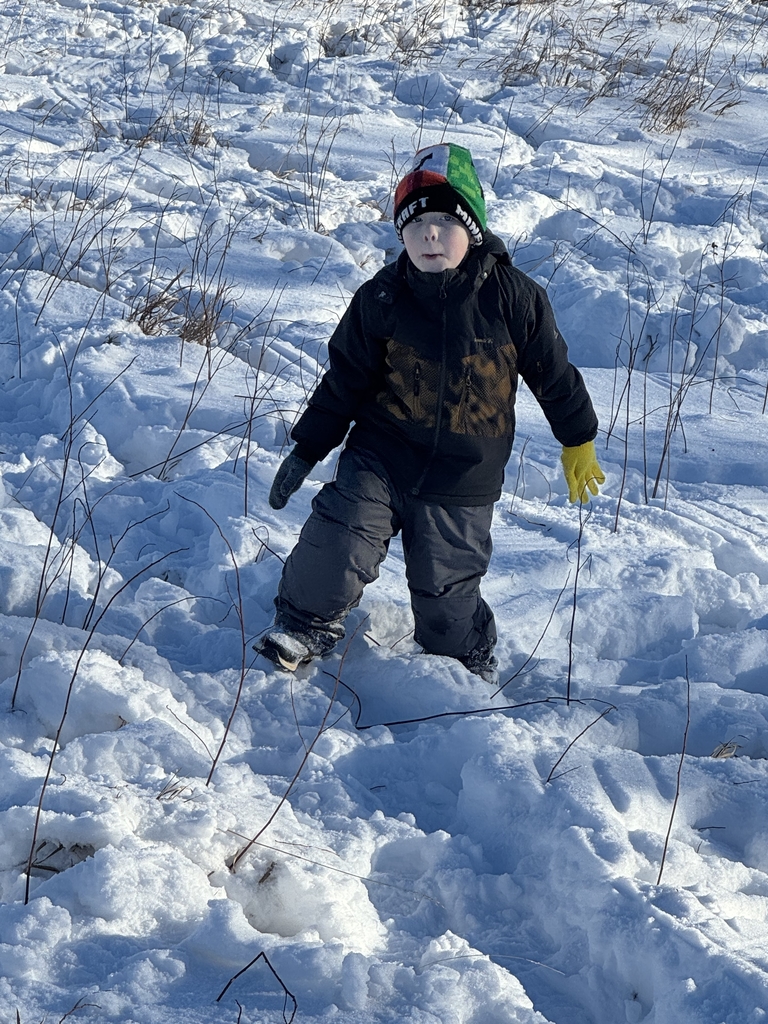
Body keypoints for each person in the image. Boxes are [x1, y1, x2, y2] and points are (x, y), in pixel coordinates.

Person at [258, 143, 604, 683]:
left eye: (446, 222)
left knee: (446, 607)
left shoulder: (514, 299)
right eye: (416, 225)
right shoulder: (383, 298)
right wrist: (308, 446)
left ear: (474, 229)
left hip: (462, 478)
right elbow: (345, 379)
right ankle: (304, 624)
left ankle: (467, 654)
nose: (430, 236)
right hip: (381, 455)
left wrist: (578, 437)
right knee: (339, 537)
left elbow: (554, 374)